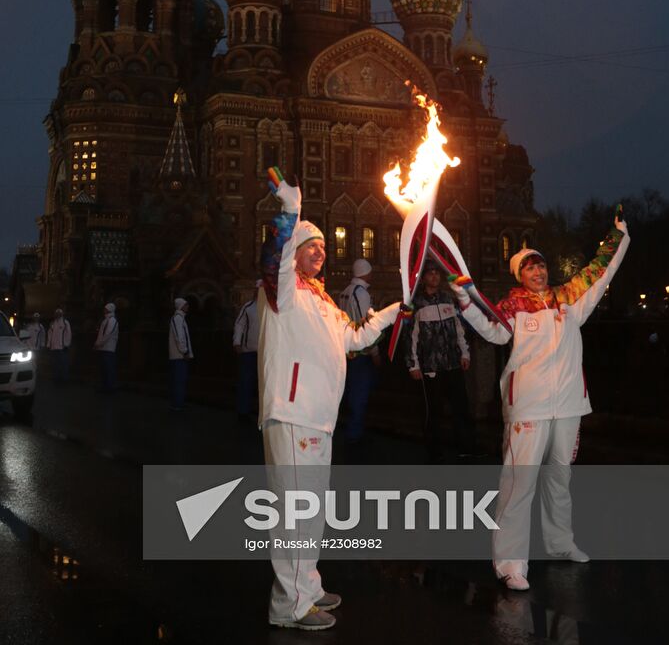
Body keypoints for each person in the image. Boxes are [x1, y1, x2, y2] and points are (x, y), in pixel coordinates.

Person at [451, 211, 630, 591]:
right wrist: (463, 299)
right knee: (520, 482)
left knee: (559, 477)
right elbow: (491, 330)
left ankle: (560, 544)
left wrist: (618, 237)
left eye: (542, 267)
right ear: (520, 275)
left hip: (568, 405)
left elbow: (601, 273)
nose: (539, 273)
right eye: (530, 269)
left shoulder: (568, 302)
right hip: (528, 406)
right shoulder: (512, 307)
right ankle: (510, 563)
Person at [258, 177, 401, 631]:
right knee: (294, 512)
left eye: (322, 246)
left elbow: (355, 338)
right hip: (292, 411)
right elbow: (274, 261)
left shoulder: (321, 300)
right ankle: (289, 606)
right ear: (294, 253)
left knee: (311, 510)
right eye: (309, 245)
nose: (319, 252)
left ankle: (308, 585)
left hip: (319, 418)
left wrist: (395, 311)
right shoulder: (279, 292)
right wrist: (290, 214)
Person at [402, 260, 474, 462]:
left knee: (461, 407)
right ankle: (435, 451)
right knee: (433, 412)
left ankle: (466, 447)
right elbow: (410, 337)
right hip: (430, 367)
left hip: (452, 363)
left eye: (436, 273)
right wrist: (413, 364)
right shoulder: (415, 303)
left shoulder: (448, 299)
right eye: (430, 273)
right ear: (423, 278)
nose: (434, 277)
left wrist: (465, 353)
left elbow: (459, 328)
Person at [339, 258, 383, 445]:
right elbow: (366, 325)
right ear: (365, 272)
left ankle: (354, 427)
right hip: (361, 351)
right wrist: (375, 352)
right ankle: (355, 432)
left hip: (348, 349)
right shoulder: (361, 293)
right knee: (360, 391)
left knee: (352, 390)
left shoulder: (344, 292)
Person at [233, 283, 259, 419]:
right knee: (246, 382)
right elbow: (239, 324)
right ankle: (243, 411)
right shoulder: (248, 307)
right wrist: (237, 342)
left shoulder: (272, 307)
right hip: (248, 351)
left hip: (266, 353)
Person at [168, 298, 193, 410]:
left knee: (179, 380)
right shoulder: (177, 319)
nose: (187, 306)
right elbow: (180, 336)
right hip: (179, 355)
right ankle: (177, 403)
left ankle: (178, 402)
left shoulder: (180, 318)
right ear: (180, 306)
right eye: (186, 304)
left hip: (179, 355)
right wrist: (185, 351)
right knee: (178, 380)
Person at [94, 302, 119, 392]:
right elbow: (101, 334)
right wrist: (98, 343)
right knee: (104, 368)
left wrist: (99, 343)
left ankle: (110, 386)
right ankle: (105, 385)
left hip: (109, 348)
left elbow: (107, 334)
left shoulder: (112, 320)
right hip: (103, 347)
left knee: (109, 368)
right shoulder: (105, 320)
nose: (104, 310)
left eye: (106, 309)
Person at [46, 307, 71, 382]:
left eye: (59, 313)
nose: (57, 315)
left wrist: (67, 344)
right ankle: (56, 378)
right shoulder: (53, 323)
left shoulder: (65, 322)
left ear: (62, 314)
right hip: (54, 347)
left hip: (62, 347)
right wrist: (48, 344)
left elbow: (68, 334)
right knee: (55, 364)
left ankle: (64, 378)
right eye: (56, 313)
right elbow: (49, 334)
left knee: (63, 363)